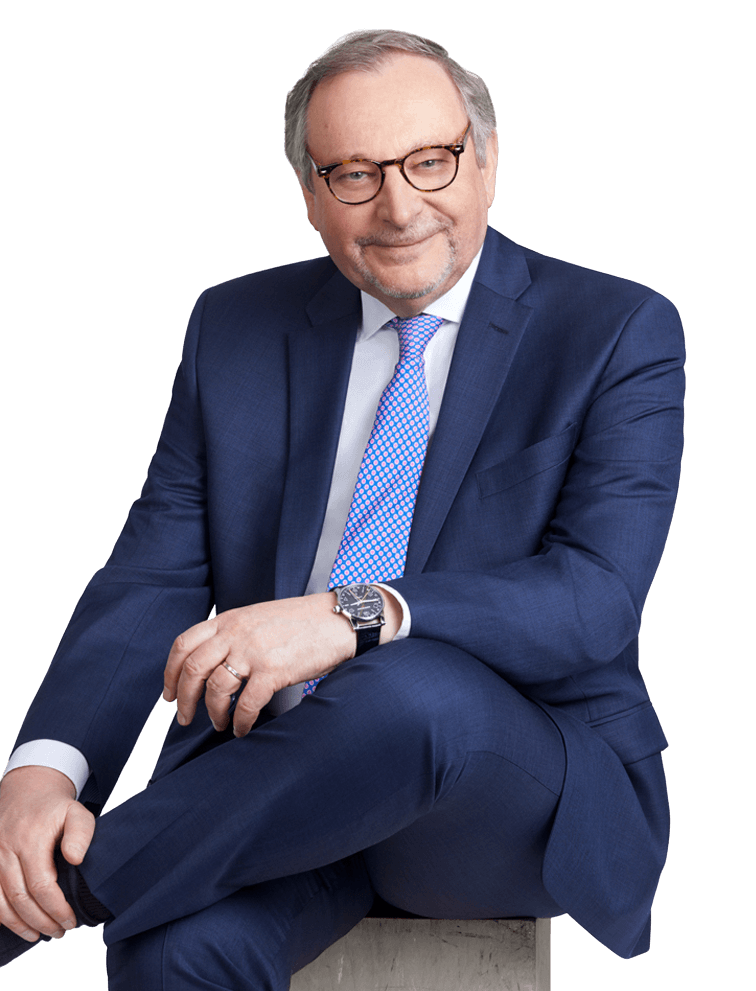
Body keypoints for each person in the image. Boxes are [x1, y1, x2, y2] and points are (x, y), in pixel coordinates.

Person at [0, 28, 684, 987]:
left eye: (431, 161)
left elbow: (595, 597)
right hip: (276, 781)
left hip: (503, 798)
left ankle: (63, 894)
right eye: (356, 175)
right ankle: (85, 884)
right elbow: (152, 575)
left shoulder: (616, 328)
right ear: (309, 193)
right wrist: (42, 773)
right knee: (173, 951)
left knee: (411, 689)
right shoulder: (233, 324)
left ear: (487, 162)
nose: (400, 207)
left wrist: (350, 614)